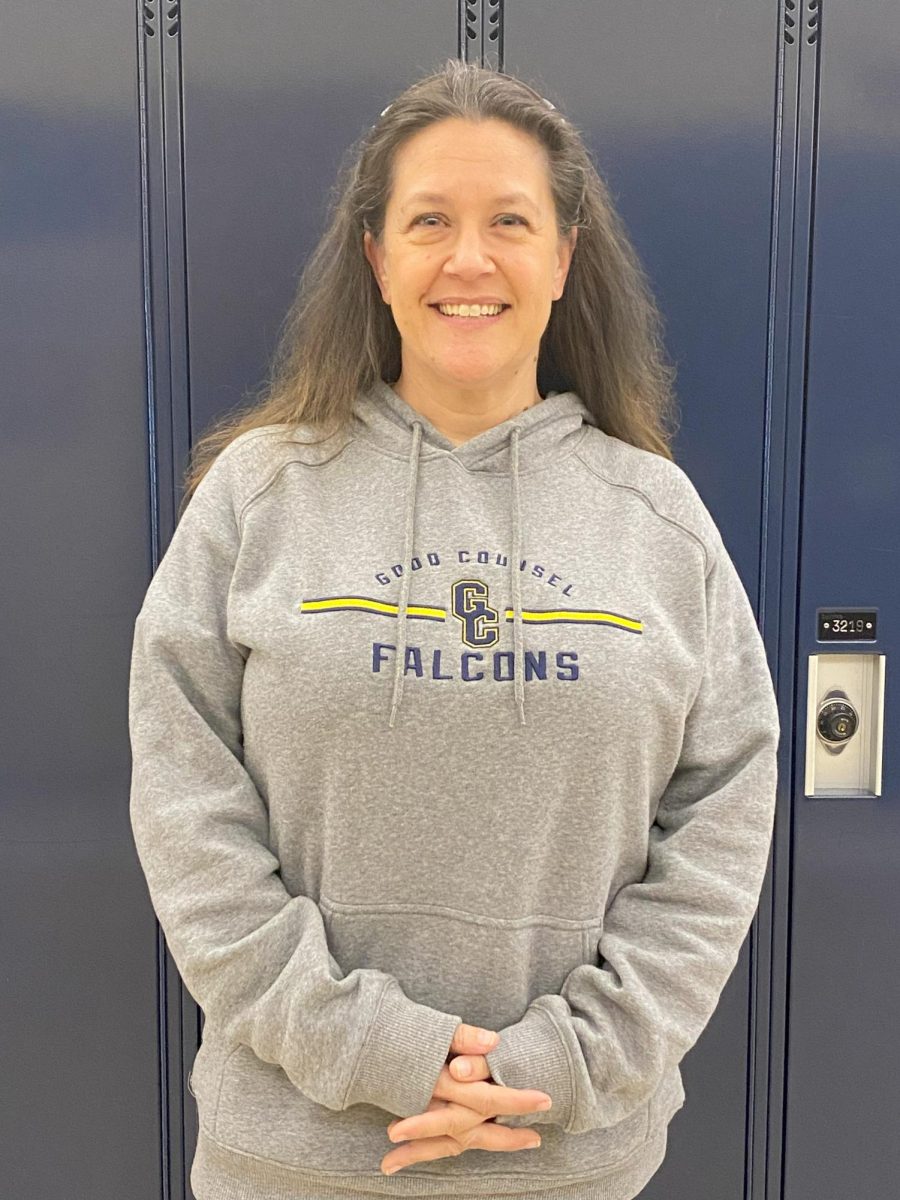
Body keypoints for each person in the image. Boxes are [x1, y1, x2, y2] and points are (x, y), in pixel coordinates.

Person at [128, 57, 781, 1200]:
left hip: (566, 1160)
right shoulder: (259, 494)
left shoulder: (658, 516)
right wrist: (380, 1052)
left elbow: (722, 820)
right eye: (430, 221)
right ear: (376, 256)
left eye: (510, 222)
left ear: (565, 257)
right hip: (294, 1159)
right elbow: (186, 807)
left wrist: (562, 1064)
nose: (468, 259)